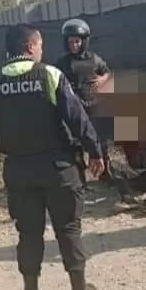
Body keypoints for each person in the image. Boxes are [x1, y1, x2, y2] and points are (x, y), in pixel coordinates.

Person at [0, 23, 104, 290]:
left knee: (28, 234)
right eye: (40, 46)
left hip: (19, 170)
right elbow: (77, 118)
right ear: (30, 48)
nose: (42, 51)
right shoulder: (50, 75)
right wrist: (95, 152)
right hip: (58, 167)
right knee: (68, 228)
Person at [54, 18, 113, 184]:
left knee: (101, 142)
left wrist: (103, 80)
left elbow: (107, 73)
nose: (74, 45)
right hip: (74, 109)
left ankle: (105, 174)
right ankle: (80, 180)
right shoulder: (62, 63)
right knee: (75, 146)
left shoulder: (94, 59)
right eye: (70, 42)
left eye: (77, 41)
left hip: (94, 106)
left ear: (84, 41)